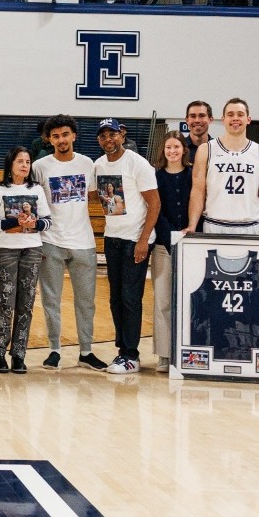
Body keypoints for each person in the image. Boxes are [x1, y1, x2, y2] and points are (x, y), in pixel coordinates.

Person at [29, 114, 100, 370]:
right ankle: (54, 349)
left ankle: (86, 351)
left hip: (83, 240)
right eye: (56, 136)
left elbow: (92, 196)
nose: (61, 140)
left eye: (65, 135)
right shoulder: (40, 167)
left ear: (74, 136)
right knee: (51, 299)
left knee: (86, 300)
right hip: (51, 240)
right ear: (49, 139)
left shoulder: (87, 164)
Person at [93, 119, 160, 374]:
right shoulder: (98, 165)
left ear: (121, 135)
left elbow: (154, 204)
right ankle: (122, 350)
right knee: (115, 297)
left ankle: (131, 354)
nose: (108, 139)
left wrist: (144, 240)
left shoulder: (137, 163)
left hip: (136, 239)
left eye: (112, 134)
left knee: (131, 297)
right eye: (103, 136)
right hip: (113, 238)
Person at [0, 146, 51, 373]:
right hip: (6, 250)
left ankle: (19, 353)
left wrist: (35, 224)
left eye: (28, 162)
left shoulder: (37, 190)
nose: (24, 165)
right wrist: (15, 222)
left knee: (27, 303)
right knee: (5, 301)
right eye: (20, 161)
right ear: (10, 164)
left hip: (31, 249)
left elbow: (47, 222)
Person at [186, 98, 259, 235]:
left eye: (240, 114)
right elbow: (198, 191)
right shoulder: (206, 150)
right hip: (214, 224)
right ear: (223, 119)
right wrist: (192, 226)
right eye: (230, 114)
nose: (235, 118)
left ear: (248, 119)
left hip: (250, 226)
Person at [149, 130, 193, 371]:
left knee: (189, 300)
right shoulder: (155, 177)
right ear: (163, 151)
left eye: (176, 147)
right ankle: (164, 354)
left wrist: (188, 232)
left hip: (191, 245)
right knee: (163, 300)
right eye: (168, 148)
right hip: (164, 247)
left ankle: (186, 351)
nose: (172, 151)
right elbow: (156, 210)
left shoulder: (192, 175)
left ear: (183, 150)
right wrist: (170, 239)